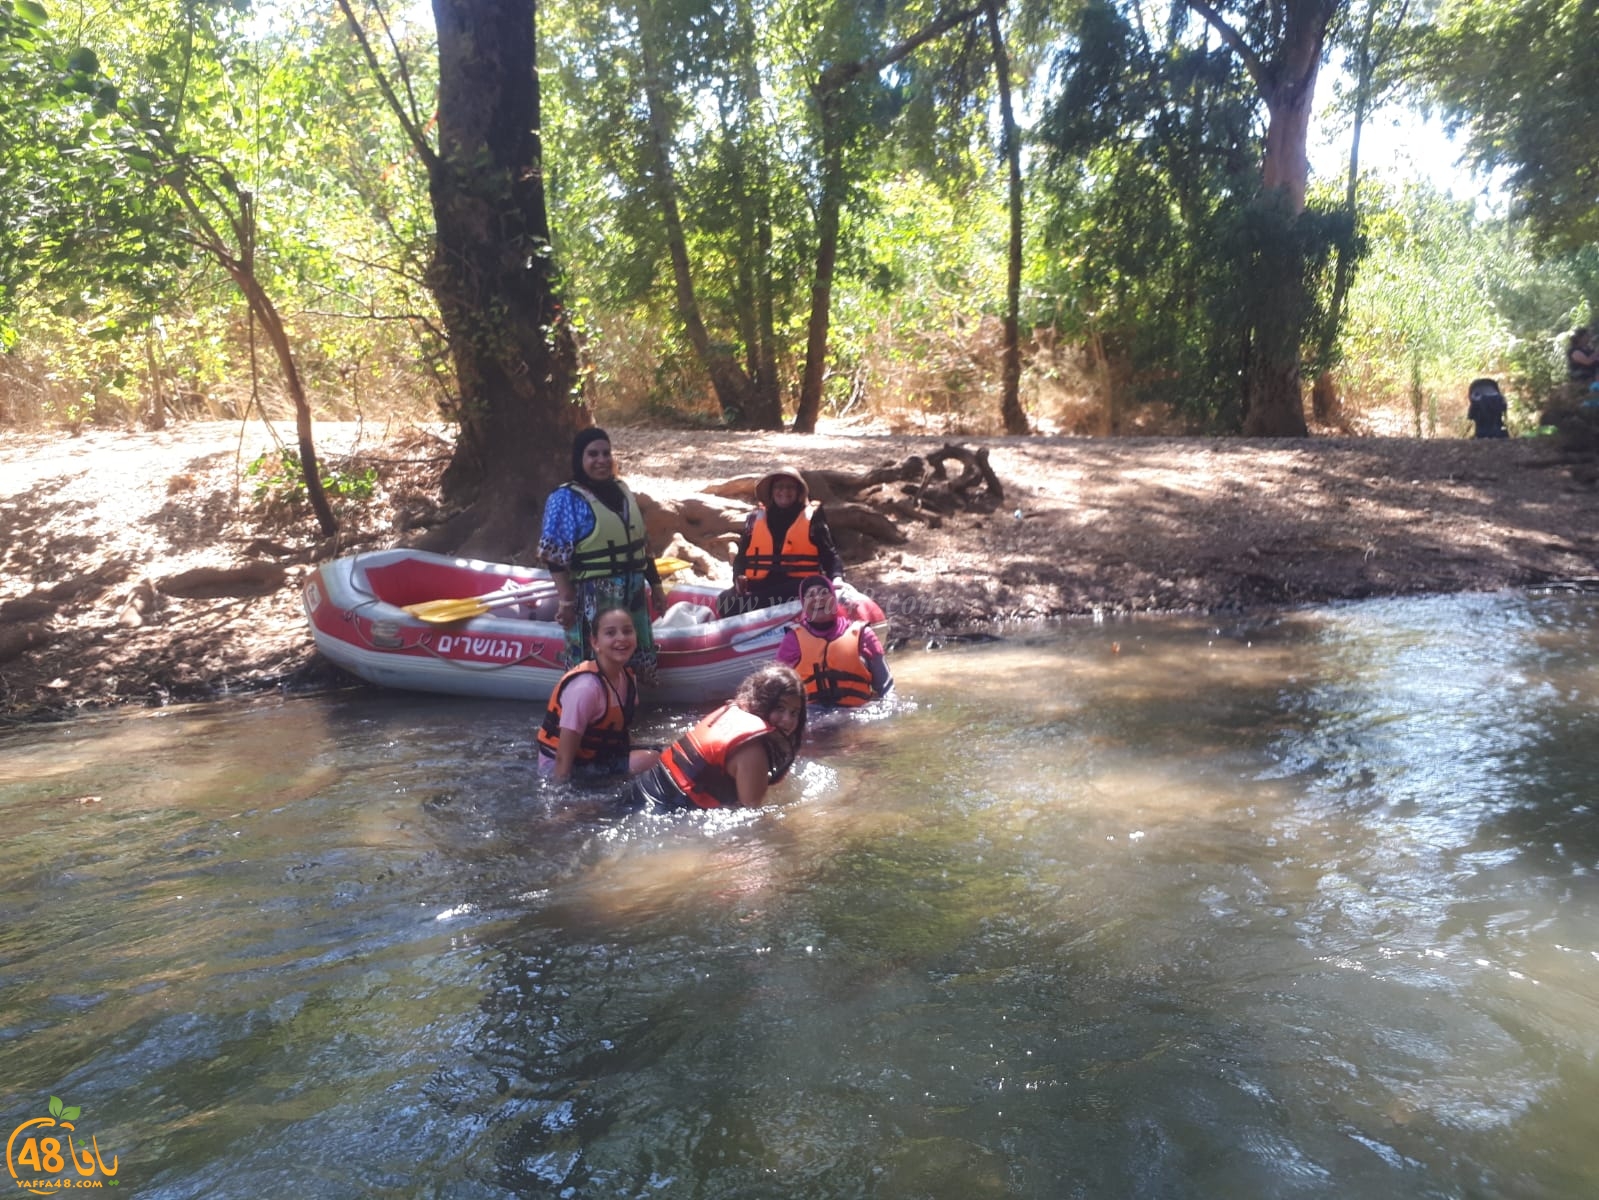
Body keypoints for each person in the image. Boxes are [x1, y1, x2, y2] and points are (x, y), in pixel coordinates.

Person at [539, 428, 668, 677]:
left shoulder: (622, 489)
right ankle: (590, 699)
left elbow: (643, 545)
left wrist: (657, 585)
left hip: (633, 592)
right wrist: (566, 600)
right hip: (593, 595)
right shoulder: (565, 498)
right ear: (580, 459)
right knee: (595, 661)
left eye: (606, 453)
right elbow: (553, 556)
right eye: (593, 454)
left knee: (632, 653)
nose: (601, 460)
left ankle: (629, 700)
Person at [626, 663, 807, 810]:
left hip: (639, 792)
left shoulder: (733, 712)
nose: (788, 720)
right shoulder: (753, 752)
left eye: (794, 712)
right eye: (780, 708)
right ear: (762, 702)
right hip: (660, 809)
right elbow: (752, 815)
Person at [536, 605, 661, 783]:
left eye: (627, 631)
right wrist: (562, 804)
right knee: (650, 759)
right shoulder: (586, 689)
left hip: (595, 756)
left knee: (667, 752)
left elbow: (616, 733)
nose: (621, 638)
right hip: (560, 768)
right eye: (610, 633)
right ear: (595, 642)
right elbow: (563, 758)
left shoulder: (626, 677)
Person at [719, 465, 845, 616]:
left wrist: (836, 578)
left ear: (798, 492)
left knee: (783, 594)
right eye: (779, 487)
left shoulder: (812, 517)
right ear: (771, 492)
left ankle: (759, 609)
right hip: (761, 586)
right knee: (724, 601)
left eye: (790, 487)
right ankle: (756, 611)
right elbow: (742, 557)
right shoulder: (756, 518)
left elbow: (829, 554)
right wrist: (738, 577)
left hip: (799, 586)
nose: (784, 491)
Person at [775, 575, 892, 707]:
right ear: (803, 603)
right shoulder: (792, 640)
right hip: (814, 720)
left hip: (857, 715)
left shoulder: (864, 635)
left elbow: (887, 689)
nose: (818, 598)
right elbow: (778, 691)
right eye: (810, 595)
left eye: (824, 592)